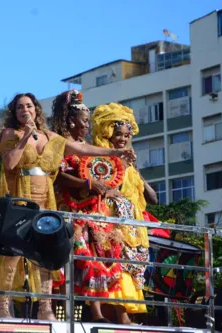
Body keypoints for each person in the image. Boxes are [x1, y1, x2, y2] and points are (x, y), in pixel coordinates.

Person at [0, 93, 135, 321]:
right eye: (19, 107)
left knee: (45, 254)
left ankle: (45, 308)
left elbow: (83, 150)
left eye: (29, 106)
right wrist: (25, 138)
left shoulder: (51, 136)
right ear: (14, 112)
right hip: (21, 197)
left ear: (36, 110)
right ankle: (4, 306)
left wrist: (115, 152)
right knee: (12, 255)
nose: (25, 110)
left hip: (45, 199)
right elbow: (9, 163)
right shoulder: (10, 133)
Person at [51, 90, 124, 323]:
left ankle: (97, 313)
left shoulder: (89, 147)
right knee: (69, 260)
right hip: (68, 208)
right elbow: (58, 176)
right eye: (84, 122)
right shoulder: (60, 144)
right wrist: (86, 182)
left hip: (91, 210)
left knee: (97, 257)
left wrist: (106, 188)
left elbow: (102, 176)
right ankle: (63, 311)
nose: (87, 127)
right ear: (71, 121)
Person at [90, 102, 158, 324]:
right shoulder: (104, 160)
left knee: (132, 267)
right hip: (114, 220)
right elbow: (106, 188)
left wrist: (136, 171)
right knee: (118, 264)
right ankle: (122, 315)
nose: (123, 139)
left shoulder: (131, 165)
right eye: (118, 134)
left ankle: (121, 316)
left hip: (134, 222)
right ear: (108, 134)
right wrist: (120, 165)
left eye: (127, 135)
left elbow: (153, 198)